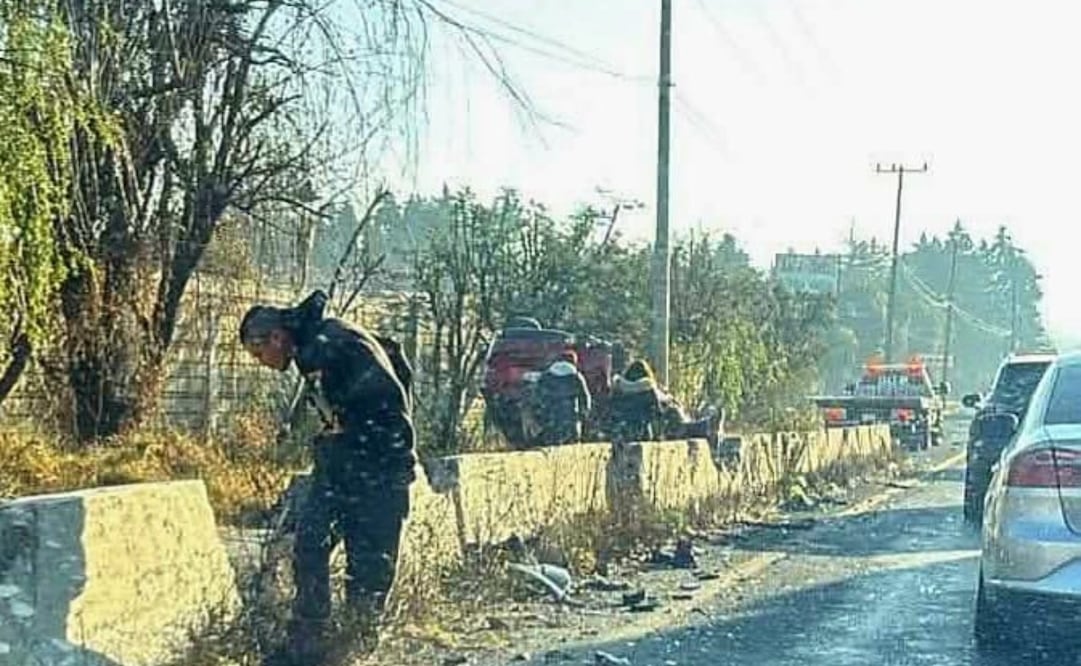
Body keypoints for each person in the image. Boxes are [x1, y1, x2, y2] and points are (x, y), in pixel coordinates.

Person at [240, 289, 415, 665]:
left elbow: (385, 387)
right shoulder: (325, 337)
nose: (263, 363)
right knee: (312, 542)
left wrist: (352, 431)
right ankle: (314, 643)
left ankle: (345, 650)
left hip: (377, 467)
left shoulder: (322, 345)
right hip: (356, 462)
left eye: (259, 354)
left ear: (275, 337)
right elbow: (399, 363)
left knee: (364, 567)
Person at [534, 350, 592, 445]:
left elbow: (537, 396)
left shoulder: (546, 375)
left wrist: (539, 414)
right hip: (571, 414)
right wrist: (585, 412)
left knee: (552, 441)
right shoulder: (576, 375)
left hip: (551, 415)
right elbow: (585, 395)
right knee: (572, 443)